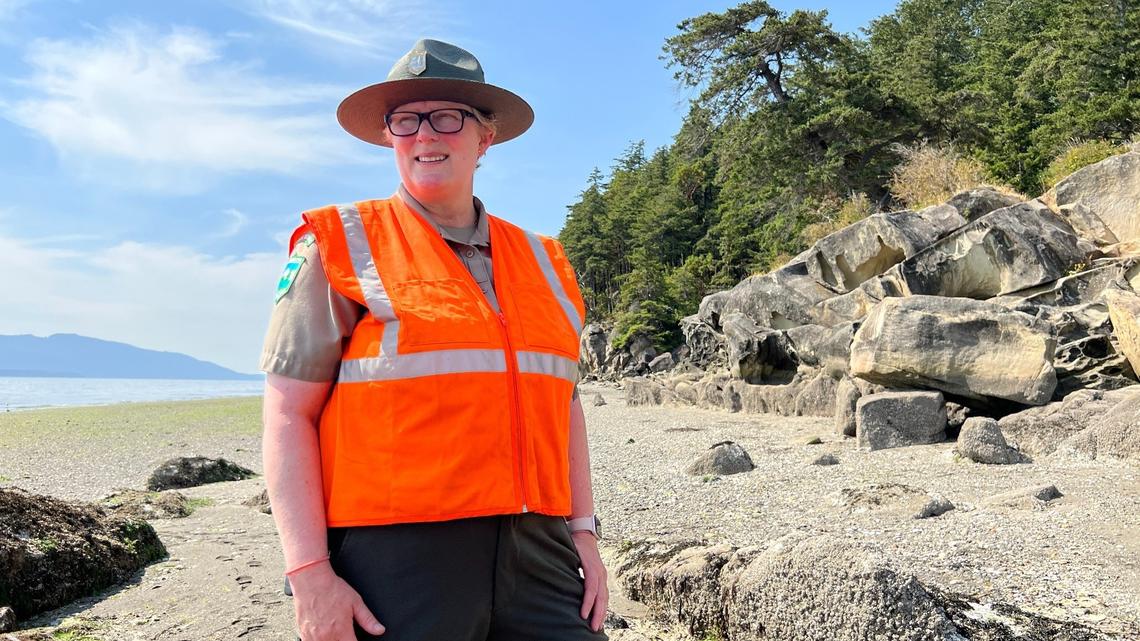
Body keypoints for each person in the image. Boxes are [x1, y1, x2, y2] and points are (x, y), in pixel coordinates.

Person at [259, 38, 609, 641]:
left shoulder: (547, 261)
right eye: (406, 120)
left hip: (542, 553)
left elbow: (565, 405)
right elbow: (287, 412)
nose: (425, 135)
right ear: (390, 136)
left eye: (448, 117)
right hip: (396, 560)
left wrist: (584, 534)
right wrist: (310, 573)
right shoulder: (340, 246)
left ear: (485, 138)